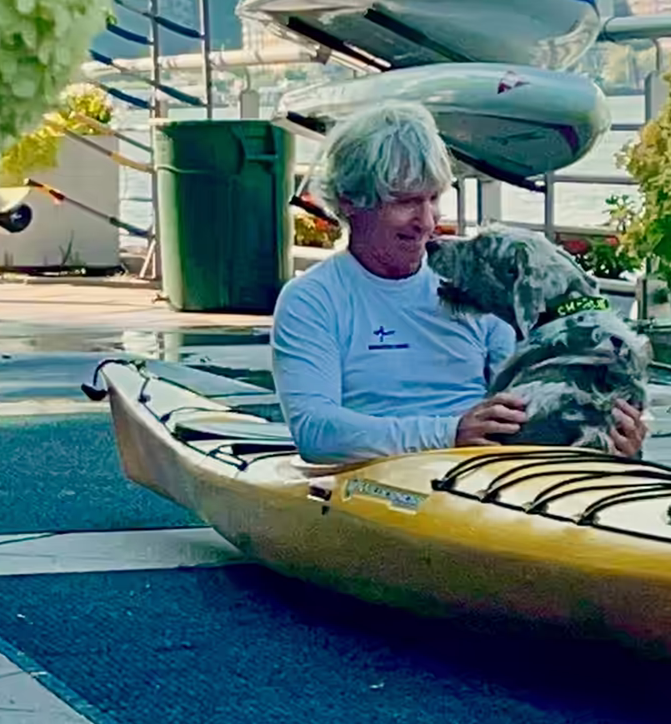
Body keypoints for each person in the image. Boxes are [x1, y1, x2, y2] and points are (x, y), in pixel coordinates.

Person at [272, 100, 647, 465]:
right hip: (379, 478)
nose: (427, 221)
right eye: (405, 202)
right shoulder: (313, 299)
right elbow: (316, 431)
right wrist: (449, 433)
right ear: (349, 201)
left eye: (433, 198)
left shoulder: (477, 294)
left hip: (480, 475)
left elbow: (520, 407)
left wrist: (618, 447)